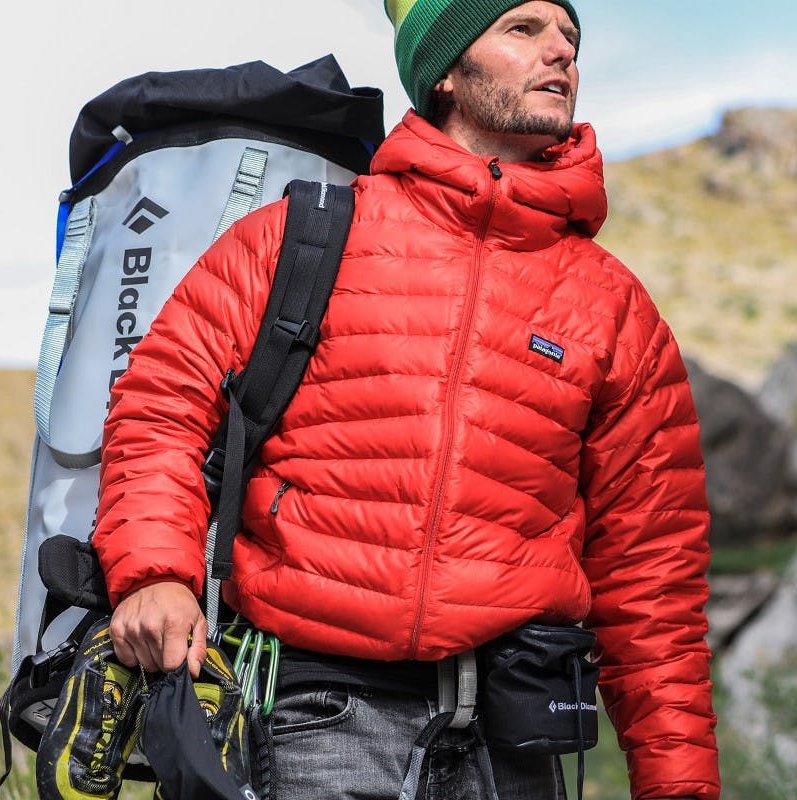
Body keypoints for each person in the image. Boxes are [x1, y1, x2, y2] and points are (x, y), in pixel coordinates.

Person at [92, 1, 721, 798]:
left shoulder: (612, 305)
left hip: (515, 740)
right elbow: (160, 404)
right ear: (447, 72)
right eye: (523, 30)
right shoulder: (299, 237)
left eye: (569, 37)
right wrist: (156, 571)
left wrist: (681, 785)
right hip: (315, 717)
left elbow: (652, 574)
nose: (561, 50)